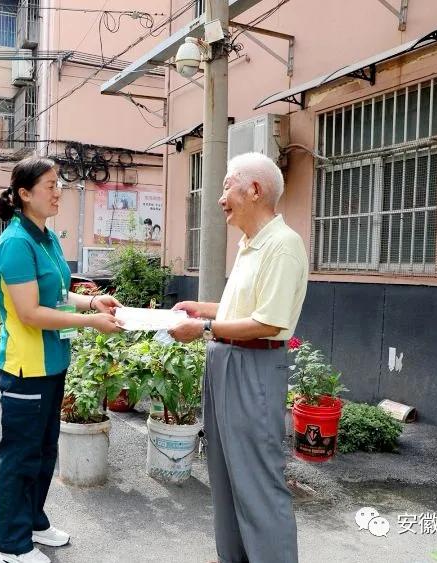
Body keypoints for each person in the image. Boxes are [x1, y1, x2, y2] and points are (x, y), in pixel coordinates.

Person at [168, 152, 308, 563]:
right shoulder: (251, 245)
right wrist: (204, 309)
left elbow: (268, 322)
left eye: (227, 185)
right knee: (226, 476)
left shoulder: (282, 245)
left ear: (255, 190)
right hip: (227, 362)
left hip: (254, 368)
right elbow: (243, 308)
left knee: (258, 481)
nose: (219, 197)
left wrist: (205, 329)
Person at [0, 156, 123, 563]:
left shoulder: (45, 237)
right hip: (26, 366)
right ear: (24, 194)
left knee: (46, 449)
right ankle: (9, 545)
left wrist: (90, 299)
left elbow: (56, 293)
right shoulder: (16, 242)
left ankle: (32, 521)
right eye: (49, 185)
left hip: (52, 362)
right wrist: (90, 321)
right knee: (21, 453)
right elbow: (30, 312)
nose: (57, 191)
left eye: (58, 183)